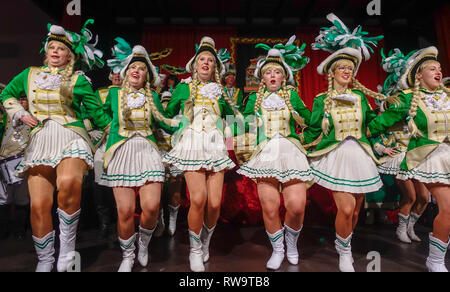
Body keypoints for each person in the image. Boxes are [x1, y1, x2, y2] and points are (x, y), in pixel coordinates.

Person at [0, 20, 110, 272]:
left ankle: (68, 249)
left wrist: (115, 135)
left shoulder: (78, 80)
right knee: (38, 205)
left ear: (69, 55)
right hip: (40, 140)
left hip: (70, 135)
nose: (55, 51)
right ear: (46, 50)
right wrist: (18, 112)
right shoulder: (28, 75)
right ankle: (46, 259)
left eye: (60, 49)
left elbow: (99, 114)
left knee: (69, 184)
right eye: (51, 47)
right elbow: (5, 95)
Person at [302, 13, 386, 272]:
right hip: (336, 155)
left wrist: (382, 142)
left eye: (350, 68)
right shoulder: (320, 100)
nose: (347, 71)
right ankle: (345, 252)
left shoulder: (361, 97)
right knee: (346, 207)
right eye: (342, 68)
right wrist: (298, 146)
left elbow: (370, 125)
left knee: (356, 210)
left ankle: (344, 243)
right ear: (332, 72)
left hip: (360, 154)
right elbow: (313, 128)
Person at [162, 36, 241, 272]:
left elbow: (233, 117)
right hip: (193, 144)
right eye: (202, 59)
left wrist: (233, 129)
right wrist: (177, 129)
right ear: (195, 65)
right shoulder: (183, 87)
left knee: (215, 204)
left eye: (210, 60)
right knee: (198, 199)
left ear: (215, 67)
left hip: (215, 146)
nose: (206, 62)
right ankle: (194, 251)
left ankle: (205, 241)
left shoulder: (220, 91)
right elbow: (168, 115)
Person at [368, 46, 450, 272]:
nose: (438, 71)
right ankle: (434, 260)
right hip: (425, 158)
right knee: (437, 203)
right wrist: (374, 143)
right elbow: (376, 125)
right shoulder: (406, 99)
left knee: (427, 201)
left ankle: (414, 231)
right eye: (432, 68)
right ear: (419, 75)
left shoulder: (447, 97)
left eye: (440, 68)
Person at [236, 37, 312, 270]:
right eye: (267, 72)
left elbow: (309, 120)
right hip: (266, 152)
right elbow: (243, 126)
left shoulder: (292, 96)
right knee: (269, 208)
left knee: (297, 206)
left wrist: (323, 115)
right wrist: (233, 121)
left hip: (290, 151)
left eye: (276, 73)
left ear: (283, 76)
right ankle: (278, 250)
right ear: (262, 77)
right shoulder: (253, 101)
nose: (272, 76)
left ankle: (292, 243)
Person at [100, 45, 175, 272]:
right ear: (125, 72)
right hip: (121, 151)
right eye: (133, 67)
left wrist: (189, 125)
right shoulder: (113, 94)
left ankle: (143, 244)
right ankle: (127, 255)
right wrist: (110, 128)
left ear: (147, 75)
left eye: (142, 69)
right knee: (124, 211)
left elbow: (164, 121)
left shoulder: (152, 96)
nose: (137, 71)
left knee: (151, 208)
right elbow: (97, 113)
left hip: (148, 151)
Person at [91, 37, 127, 239]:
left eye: (120, 73)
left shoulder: (129, 93)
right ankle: (104, 221)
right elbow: (92, 113)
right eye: (113, 73)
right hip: (103, 142)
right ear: (109, 74)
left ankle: (118, 219)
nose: (116, 76)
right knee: (99, 181)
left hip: (123, 141)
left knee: (120, 182)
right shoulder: (100, 93)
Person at [155, 75, 184, 237]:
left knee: (175, 189)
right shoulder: (156, 114)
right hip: (158, 153)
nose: (166, 105)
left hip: (174, 154)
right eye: (163, 101)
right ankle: (160, 221)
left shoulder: (179, 117)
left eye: (169, 101)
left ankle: (172, 220)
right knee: (156, 190)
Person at [0, 96, 31, 240]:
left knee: (21, 198)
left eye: (23, 100)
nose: (20, 103)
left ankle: (20, 229)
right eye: (18, 100)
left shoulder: (34, 119)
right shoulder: (5, 118)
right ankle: (3, 230)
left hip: (22, 162)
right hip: (2, 161)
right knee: (3, 198)